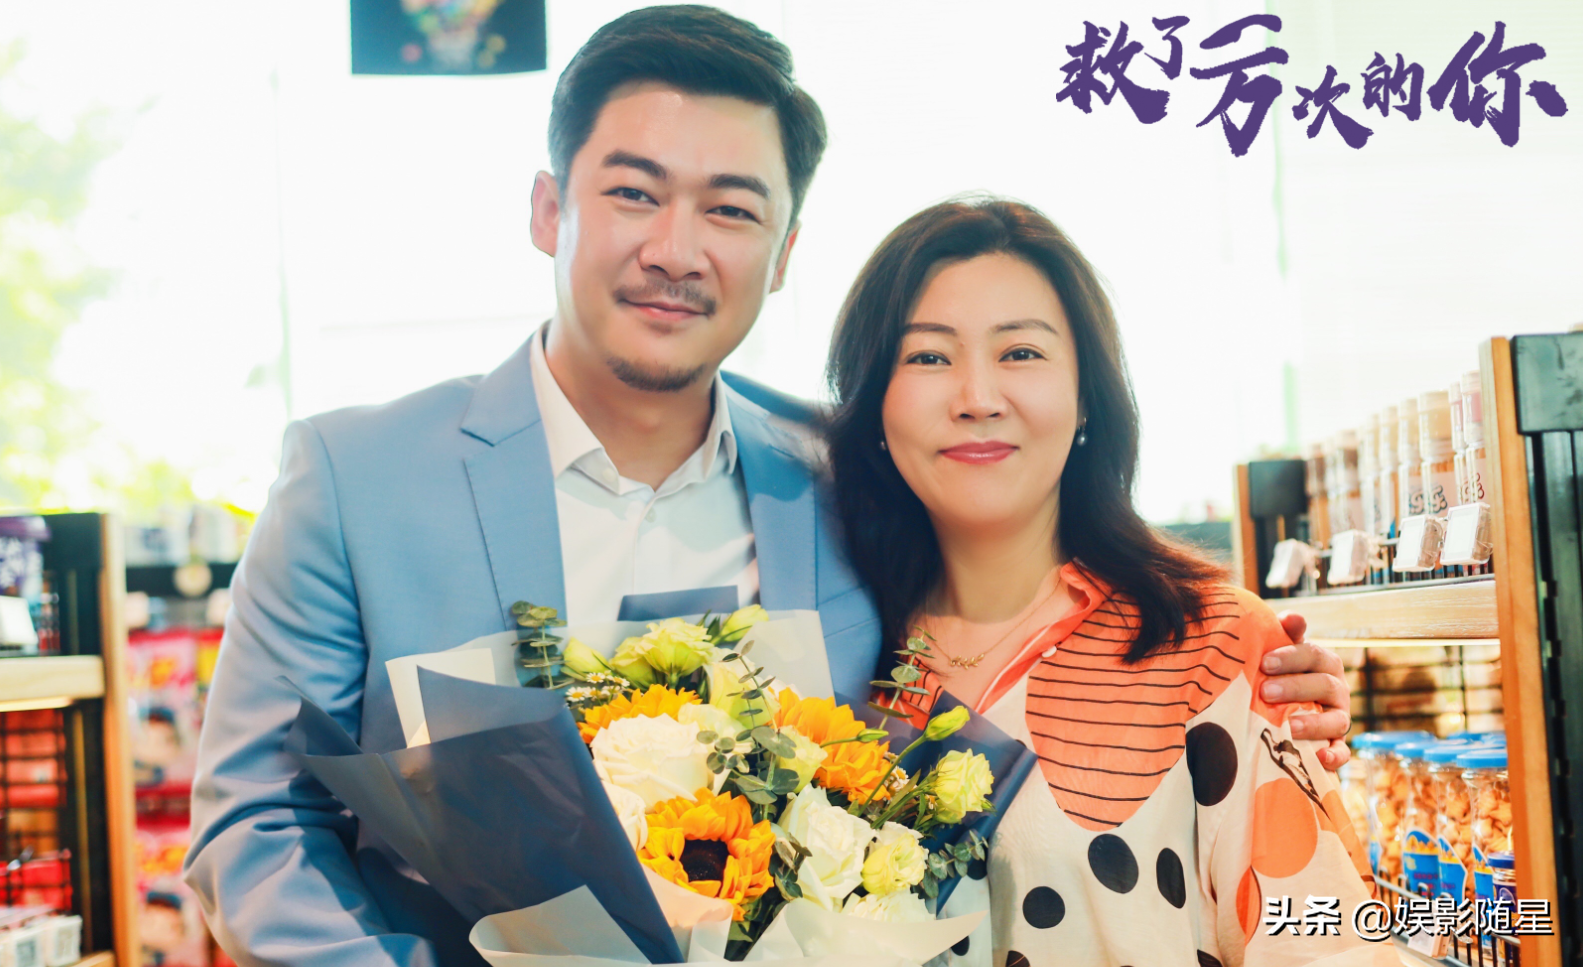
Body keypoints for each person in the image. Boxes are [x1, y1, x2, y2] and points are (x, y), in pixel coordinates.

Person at [184, 7, 1353, 967]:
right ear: (549, 209)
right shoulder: (355, 479)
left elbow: (1030, 575)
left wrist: (1256, 666)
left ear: (784, 251)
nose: (675, 249)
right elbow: (255, 821)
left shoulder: (849, 477)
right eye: (633, 192)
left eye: (731, 209)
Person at [825, 197, 1389, 967]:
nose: (977, 397)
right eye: (927, 357)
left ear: (1086, 394)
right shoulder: (828, 650)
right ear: (872, 401)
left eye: (1020, 352)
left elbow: (1323, 947)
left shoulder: (1209, 644)